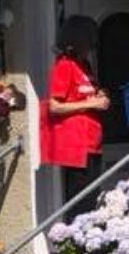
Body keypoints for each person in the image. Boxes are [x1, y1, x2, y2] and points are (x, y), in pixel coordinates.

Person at [41, 15, 109, 204]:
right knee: (81, 201)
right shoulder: (64, 66)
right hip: (76, 146)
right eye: (89, 40)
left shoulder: (84, 65)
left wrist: (99, 97)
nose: (91, 46)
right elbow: (55, 106)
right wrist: (90, 104)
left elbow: (85, 94)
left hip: (92, 141)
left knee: (93, 197)